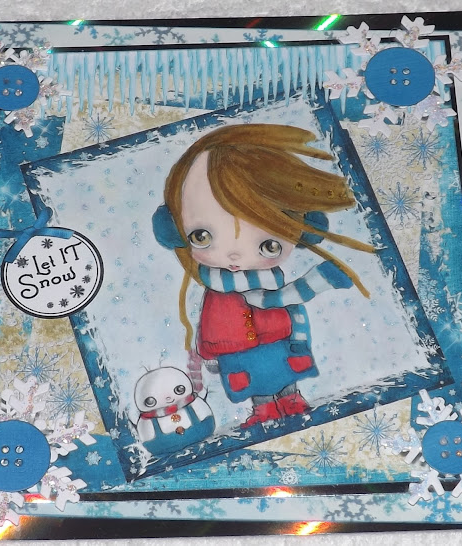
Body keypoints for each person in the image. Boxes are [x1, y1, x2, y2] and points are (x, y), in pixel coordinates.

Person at [153, 124, 374, 428]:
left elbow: (278, 302)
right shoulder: (213, 286)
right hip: (235, 352)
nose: (234, 256)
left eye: (268, 244)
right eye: (201, 236)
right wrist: (317, 282)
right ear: (174, 229)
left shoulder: (264, 284)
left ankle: (291, 401)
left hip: (277, 342)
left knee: (283, 373)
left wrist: (303, 324)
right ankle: (264, 411)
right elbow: (276, 300)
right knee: (253, 381)